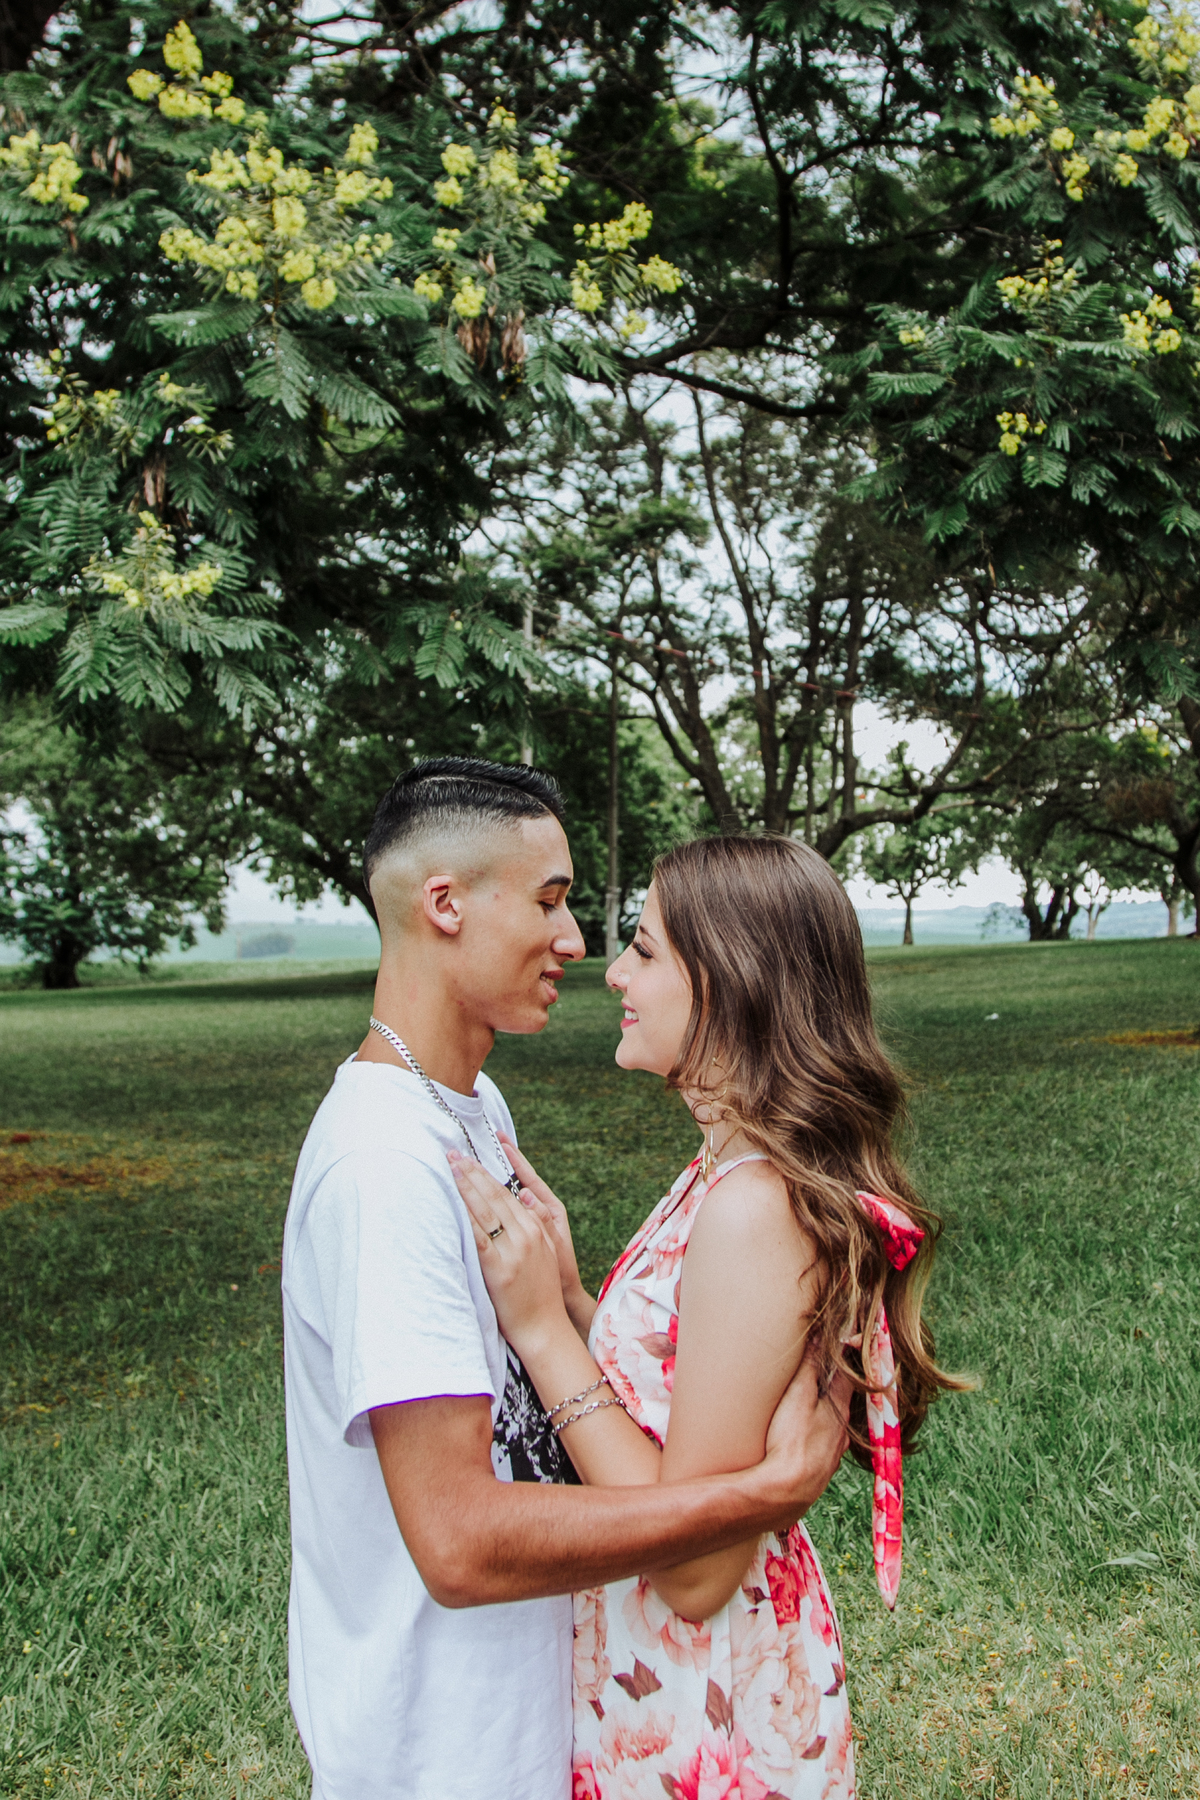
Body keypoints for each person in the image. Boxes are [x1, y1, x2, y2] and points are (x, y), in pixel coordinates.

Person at [281, 760, 851, 1800]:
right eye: (550, 901)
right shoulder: (382, 1167)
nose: (581, 944)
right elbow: (458, 1543)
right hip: (443, 1757)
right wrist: (757, 1496)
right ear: (445, 904)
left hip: (554, 1718)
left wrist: (572, 1310)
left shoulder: (473, 1110)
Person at [450, 833, 966, 1800]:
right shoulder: (722, 1167)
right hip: (672, 1678)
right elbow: (682, 1408)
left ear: (729, 984)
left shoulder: (753, 1207)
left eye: (644, 950)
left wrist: (544, 1332)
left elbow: (693, 1574)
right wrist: (576, 1297)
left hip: (702, 1705)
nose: (613, 972)